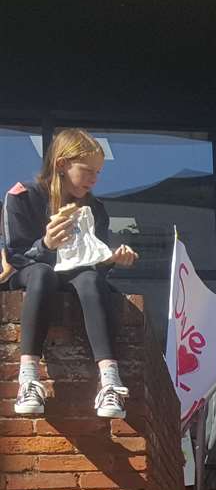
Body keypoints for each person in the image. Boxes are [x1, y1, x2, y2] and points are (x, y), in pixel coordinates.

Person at [6, 128, 138, 419]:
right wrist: (46, 244)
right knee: (42, 274)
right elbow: (15, 257)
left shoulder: (95, 209)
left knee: (90, 279)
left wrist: (112, 259)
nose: (94, 179)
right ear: (62, 164)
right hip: (34, 272)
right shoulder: (23, 197)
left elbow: (93, 263)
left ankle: (110, 382)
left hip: (76, 276)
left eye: (99, 172)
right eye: (87, 170)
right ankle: (28, 378)